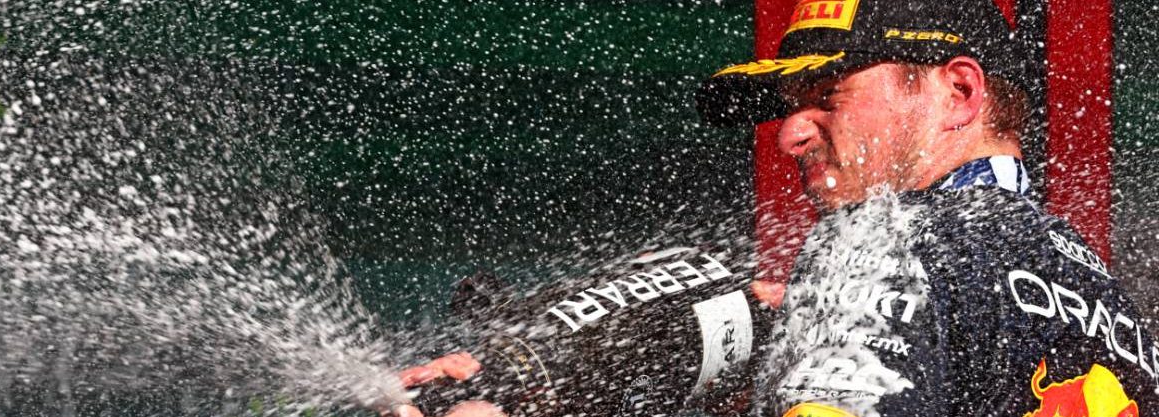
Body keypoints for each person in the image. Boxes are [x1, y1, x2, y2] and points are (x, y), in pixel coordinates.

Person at [394, 0, 1159, 415]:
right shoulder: (1106, 305)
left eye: (827, 95)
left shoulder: (880, 245)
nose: (791, 131)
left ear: (958, 92)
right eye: (790, 102)